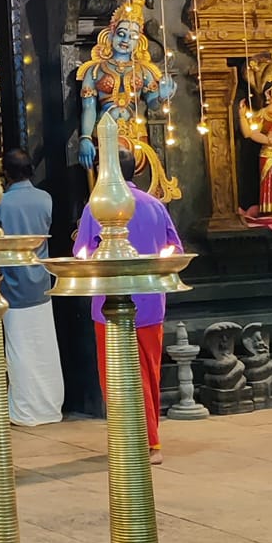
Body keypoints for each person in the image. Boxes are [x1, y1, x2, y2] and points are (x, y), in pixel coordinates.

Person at [73, 177, 181, 462]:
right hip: (151, 302)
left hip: (109, 303)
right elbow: (175, 251)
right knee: (148, 373)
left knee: (116, 376)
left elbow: (81, 255)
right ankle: (149, 440)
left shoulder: (96, 208)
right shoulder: (156, 205)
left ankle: (134, 440)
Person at [0, 148, 63, 427]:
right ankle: (49, 406)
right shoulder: (45, 198)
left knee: (18, 351)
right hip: (42, 283)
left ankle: (24, 410)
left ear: (6, 174)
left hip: (12, 286)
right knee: (45, 349)